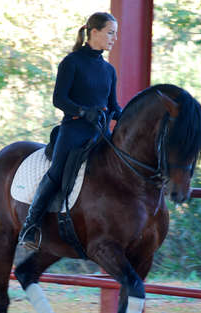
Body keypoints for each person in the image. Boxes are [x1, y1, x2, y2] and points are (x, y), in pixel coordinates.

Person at [18, 11, 123, 250]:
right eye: (110, 33)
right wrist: (84, 111)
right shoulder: (71, 62)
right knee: (56, 173)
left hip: (101, 135)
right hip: (74, 131)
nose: (114, 39)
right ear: (93, 32)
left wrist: (128, 115)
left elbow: (114, 106)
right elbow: (59, 99)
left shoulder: (109, 71)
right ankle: (30, 226)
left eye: (115, 34)